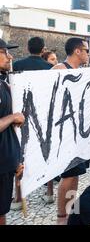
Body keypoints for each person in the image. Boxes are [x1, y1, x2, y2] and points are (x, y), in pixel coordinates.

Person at [12, 37, 55, 205]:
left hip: (21, 114)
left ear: (28, 48)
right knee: (47, 152)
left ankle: (18, 197)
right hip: (43, 114)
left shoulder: (17, 65)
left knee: (20, 154)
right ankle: (50, 192)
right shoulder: (50, 68)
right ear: (43, 49)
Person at [52, 37, 90, 224]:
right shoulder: (59, 69)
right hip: (64, 132)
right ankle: (61, 216)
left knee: (75, 174)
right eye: (86, 50)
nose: (88, 54)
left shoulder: (81, 72)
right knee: (67, 175)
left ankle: (71, 211)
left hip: (79, 131)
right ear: (77, 51)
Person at [0, 39, 25, 225]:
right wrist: (12, 117)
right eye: (4, 52)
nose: (10, 56)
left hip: (6, 164)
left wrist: (15, 159)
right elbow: (10, 120)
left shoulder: (4, 84)